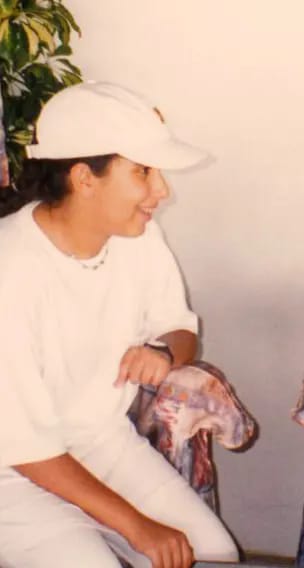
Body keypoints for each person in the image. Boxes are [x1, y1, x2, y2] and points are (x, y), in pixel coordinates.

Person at [0, 81, 239, 567]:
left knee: (216, 553)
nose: (162, 190)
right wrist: (137, 527)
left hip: (102, 444)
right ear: (85, 178)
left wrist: (164, 352)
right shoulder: (12, 269)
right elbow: (23, 445)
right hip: (14, 477)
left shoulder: (138, 236)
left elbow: (180, 327)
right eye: (143, 172)